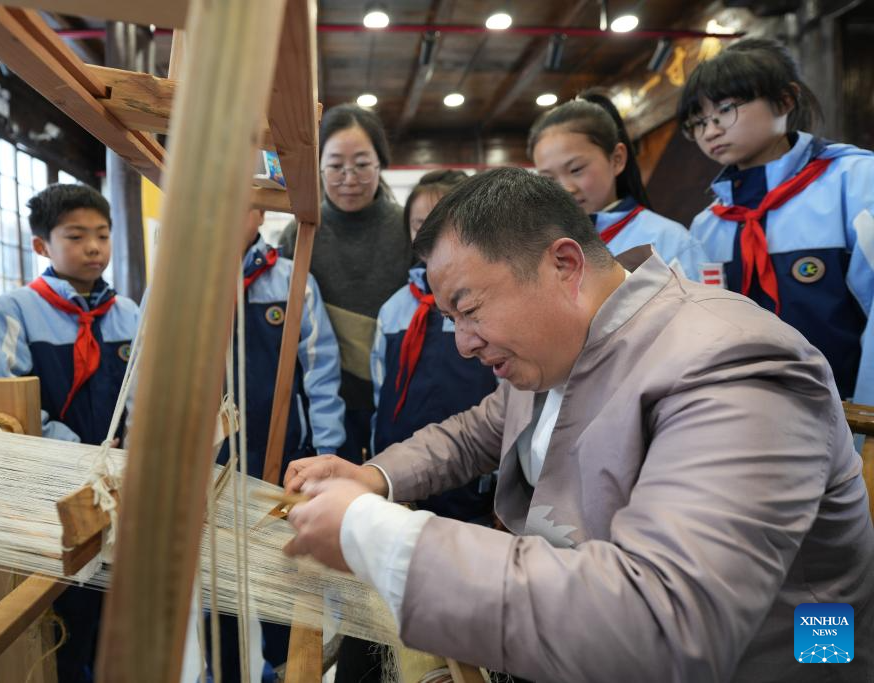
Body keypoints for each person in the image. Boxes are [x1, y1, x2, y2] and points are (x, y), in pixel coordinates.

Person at [281, 168, 874, 682]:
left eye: (470, 309)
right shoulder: (557, 351)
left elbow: (669, 624)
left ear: (564, 264)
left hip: (791, 655)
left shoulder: (732, 362)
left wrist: (378, 537)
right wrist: (373, 477)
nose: (462, 344)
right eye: (449, 318)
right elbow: (476, 431)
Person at [0, 183, 139, 682]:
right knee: (59, 618)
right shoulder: (15, 310)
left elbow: (145, 393)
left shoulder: (128, 314)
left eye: (103, 235)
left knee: (118, 615)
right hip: (47, 493)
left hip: (119, 488)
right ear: (42, 245)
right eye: (76, 235)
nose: (93, 247)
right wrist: (79, 451)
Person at [679, 38, 874, 403]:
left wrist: (869, 417)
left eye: (725, 110)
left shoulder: (856, 181)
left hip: (852, 417)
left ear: (785, 101)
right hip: (747, 415)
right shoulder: (709, 224)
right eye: (699, 121)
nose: (711, 131)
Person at [208, 208, 346, 683]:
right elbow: (153, 375)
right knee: (216, 581)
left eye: (238, 203)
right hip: (212, 462)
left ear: (260, 211)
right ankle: (219, 671)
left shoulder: (292, 280)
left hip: (284, 456)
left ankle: (282, 669)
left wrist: (327, 453)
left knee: (281, 575)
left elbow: (321, 372)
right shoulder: (182, 284)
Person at [279, 104, 411, 465]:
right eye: (336, 165)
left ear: (380, 163)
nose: (349, 178)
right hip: (324, 401)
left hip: (397, 394)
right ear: (319, 167)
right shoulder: (301, 233)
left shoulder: (407, 230)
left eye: (362, 164)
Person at [371, 169, 494, 522]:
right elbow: (381, 392)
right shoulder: (394, 308)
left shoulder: (490, 305)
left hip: (472, 474)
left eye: (441, 222)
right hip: (399, 474)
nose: (428, 234)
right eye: (419, 224)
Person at [529, 91, 707, 279]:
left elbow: (708, 307)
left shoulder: (669, 240)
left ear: (617, 159)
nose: (565, 188)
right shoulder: (544, 248)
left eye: (576, 169)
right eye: (549, 180)